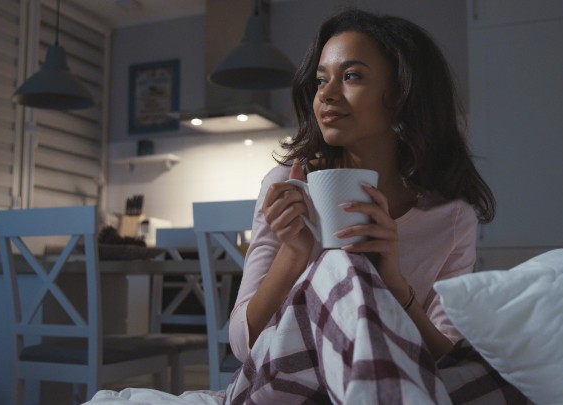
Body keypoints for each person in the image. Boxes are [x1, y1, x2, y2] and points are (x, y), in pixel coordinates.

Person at [219, 8, 528, 405]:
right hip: (275, 387)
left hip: (391, 381)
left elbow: (448, 358)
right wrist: (295, 254)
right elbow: (244, 346)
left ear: (402, 94)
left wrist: (395, 285)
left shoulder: (452, 218)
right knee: (341, 265)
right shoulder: (287, 186)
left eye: (351, 76)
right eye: (320, 80)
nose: (327, 94)